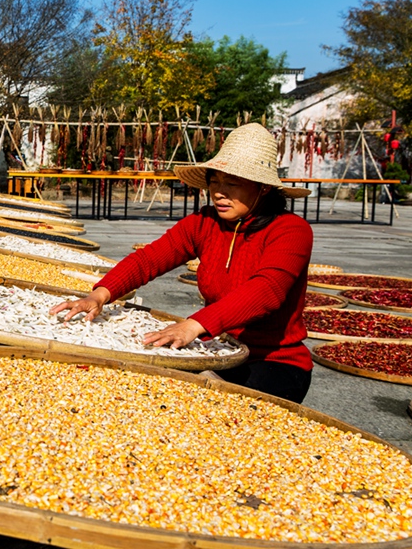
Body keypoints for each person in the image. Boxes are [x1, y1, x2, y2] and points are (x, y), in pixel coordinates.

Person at [50, 123, 315, 403]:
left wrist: (195, 325)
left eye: (233, 183)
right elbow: (149, 259)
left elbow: (267, 290)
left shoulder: (290, 230)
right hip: (216, 348)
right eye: (214, 181)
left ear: (262, 188)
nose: (219, 193)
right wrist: (100, 294)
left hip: (275, 362)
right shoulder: (205, 223)